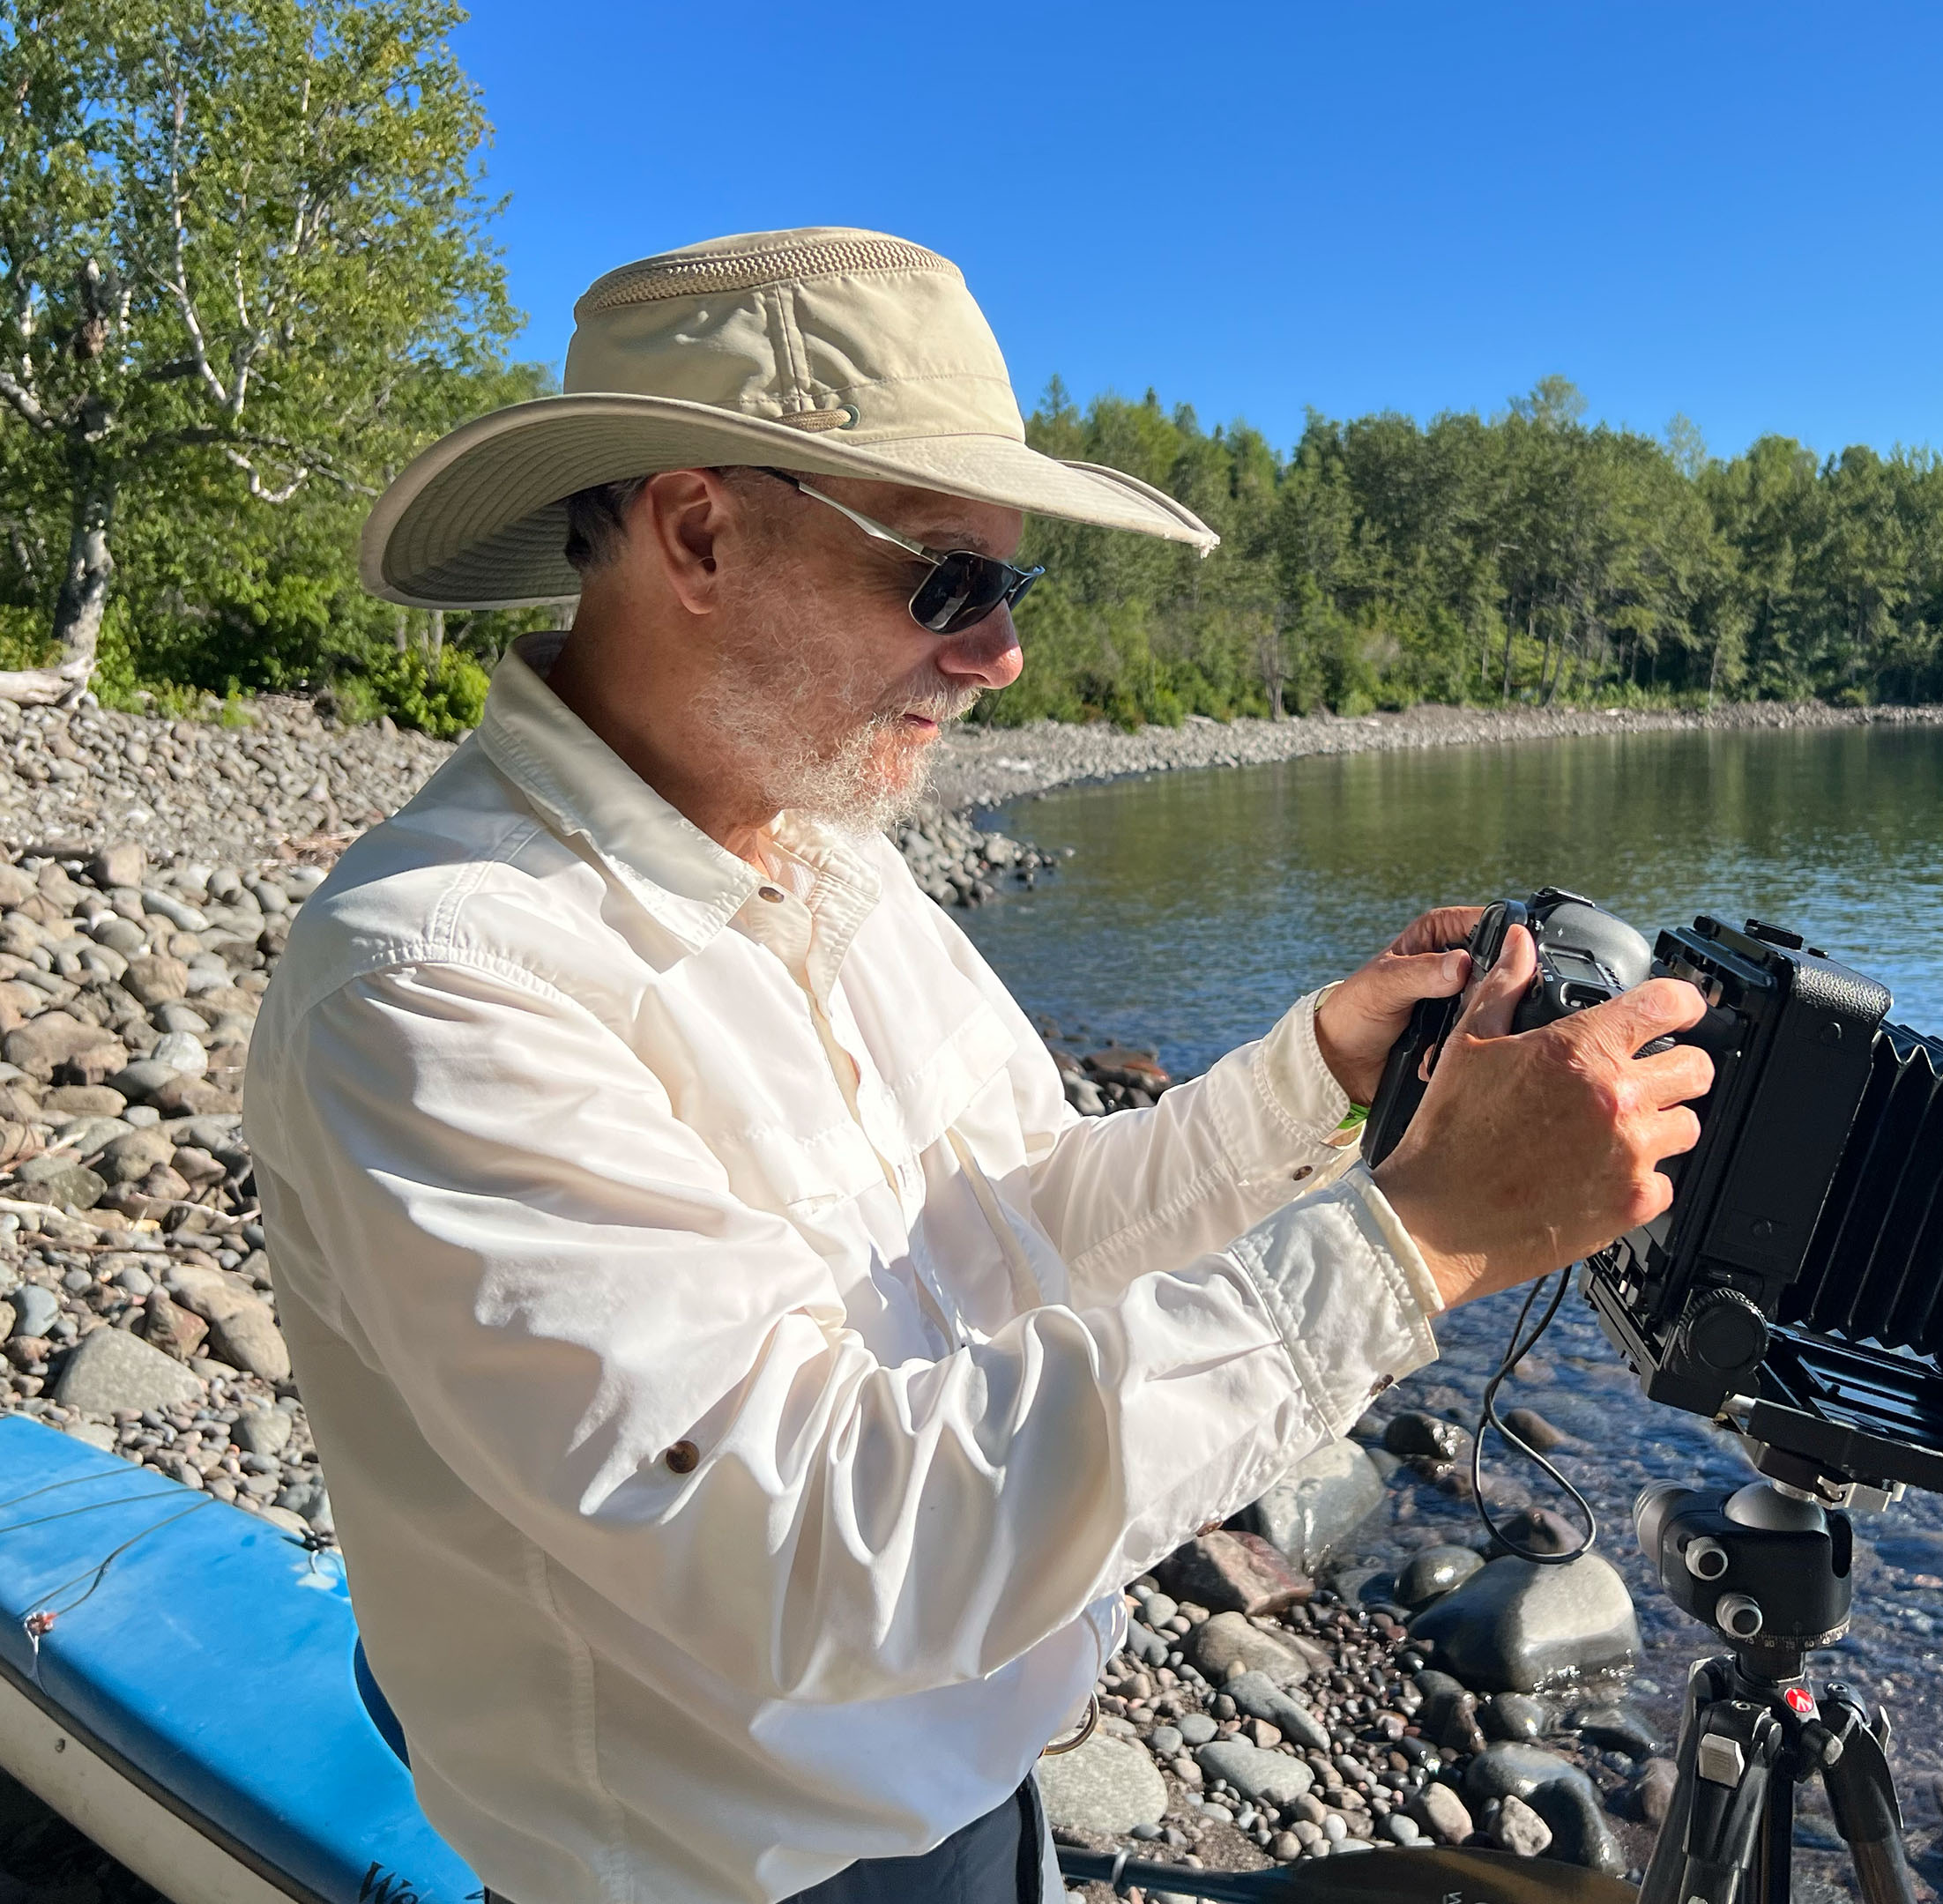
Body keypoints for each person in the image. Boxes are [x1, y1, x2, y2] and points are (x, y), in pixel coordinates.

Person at [247, 227, 1710, 1904]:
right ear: (698, 532)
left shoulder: (827, 851)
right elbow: (804, 1551)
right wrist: (1422, 1241)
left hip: (969, 1806)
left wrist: (1317, 1072)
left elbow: (1011, 1230)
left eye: (1016, 586)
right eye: (946, 576)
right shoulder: (435, 976)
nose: (1001, 653)